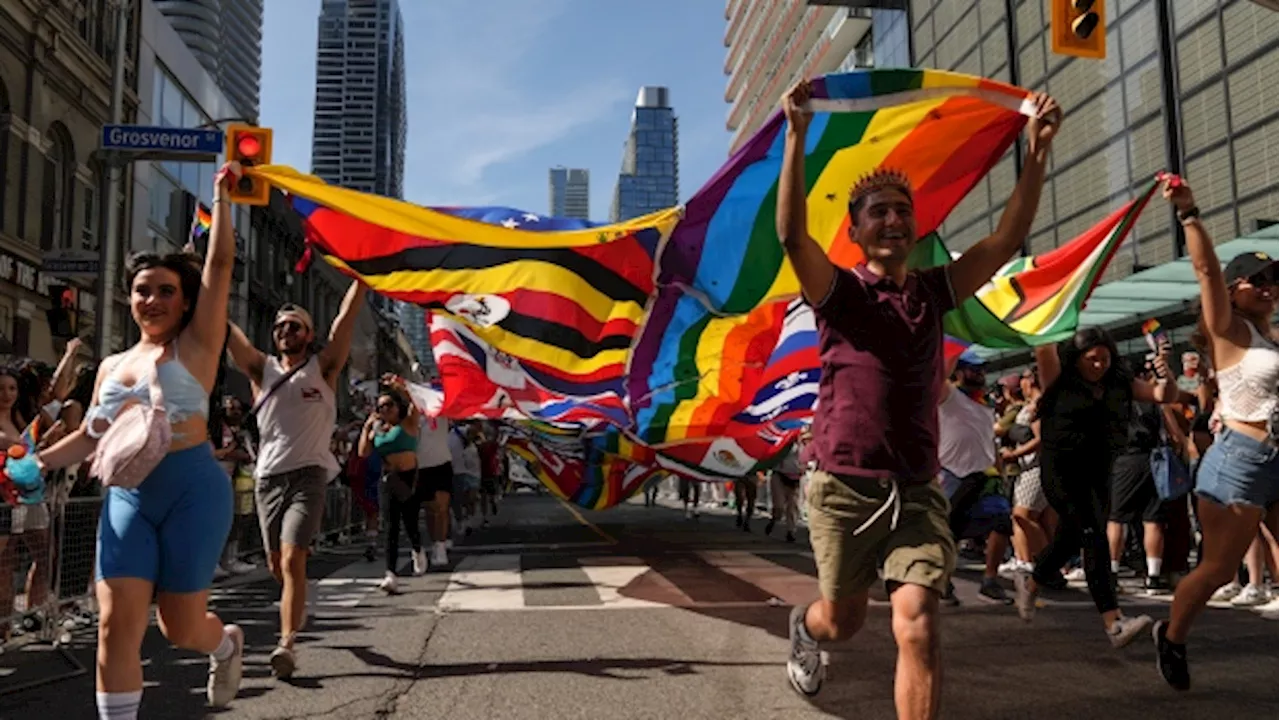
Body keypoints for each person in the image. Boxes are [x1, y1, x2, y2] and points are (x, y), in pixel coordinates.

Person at [776, 77, 1061, 718]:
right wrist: (795, 137)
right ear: (855, 231)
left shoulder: (934, 291)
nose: (892, 218)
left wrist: (1037, 151)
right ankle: (806, 626)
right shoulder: (839, 292)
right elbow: (794, 237)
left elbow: (1005, 241)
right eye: (877, 210)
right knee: (842, 622)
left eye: (901, 209)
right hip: (843, 486)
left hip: (916, 486)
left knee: (918, 624)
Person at [35, 162, 245, 717]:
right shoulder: (109, 366)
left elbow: (220, 263)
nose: (151, 301)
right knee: (114, 626)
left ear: (184, 300)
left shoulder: (198, 346)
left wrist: (224, 198)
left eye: (165, 292)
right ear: (129, 298)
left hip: (193, 493)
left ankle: (225, 645)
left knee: (179, 629)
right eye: (141, 291)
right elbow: (87, 438)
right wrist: (31, 463)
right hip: (127, 498)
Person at [1154, 176, 1280, 691]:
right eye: (1258, 280)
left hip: (1273, 458)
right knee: (1219, 572)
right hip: (1238, 461)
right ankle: (1174, 636)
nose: (1270, 287)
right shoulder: (1228, 332)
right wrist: (1189, 213)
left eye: (1275, 279)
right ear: (1233, 291)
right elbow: (1205, 269)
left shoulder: (1268, 336)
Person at [224, 277, 363, 680]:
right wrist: (201, 282)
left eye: (295, 326)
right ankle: (297, 597)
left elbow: (345, 320)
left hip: (310, 475)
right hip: (268, 478)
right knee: (277, 566)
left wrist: (360, 278)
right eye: (280, 327)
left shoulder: (323, 367)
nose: (286, 331)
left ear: (310, 335)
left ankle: (286, 645)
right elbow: (226, 330)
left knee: (292, 559)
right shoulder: (260, 368)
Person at [1014, 329, 1175, 649]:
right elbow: (1043, 344)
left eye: (1105, 358)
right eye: (1092, 359)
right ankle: (1114, 623)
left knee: (1071, 538)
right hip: (1061, 470)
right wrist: (1050, 315)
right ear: (1076, 359)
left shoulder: (1120, 383)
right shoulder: (1058, 378)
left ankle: (1032, 580)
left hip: (1099, 471)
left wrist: (1165, 371)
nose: (1099, 365)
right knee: (1093, 536)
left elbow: (1163, 396)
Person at [357, 379, 423, 592]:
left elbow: (416, 402)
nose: (385, 409)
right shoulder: (379, 431)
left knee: (411, 523)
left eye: (389, 405)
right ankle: (390, 574)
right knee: (391, 526)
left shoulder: (408, 424)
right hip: (389, 479)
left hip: (410, 477)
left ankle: (417, 548)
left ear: (397, 407)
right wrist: (367, 426)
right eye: (381, 407)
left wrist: (400, 386)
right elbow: (363, 453)